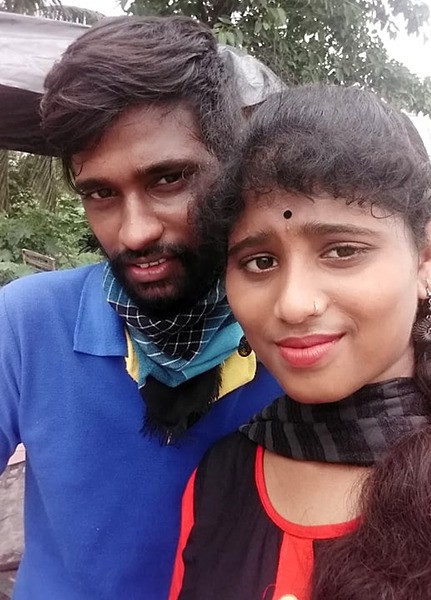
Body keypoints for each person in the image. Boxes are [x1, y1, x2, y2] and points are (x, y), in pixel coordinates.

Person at [0, 16, 282, 600]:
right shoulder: (27, 324)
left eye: (169, 179)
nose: (133, 233)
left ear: (233, 170)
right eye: (100, 193)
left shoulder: (297, 339)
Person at [169, 85, 431, 600]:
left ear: (425, 256)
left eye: (341, 251)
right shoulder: (222, 476)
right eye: (260, 261)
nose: (294, 304)